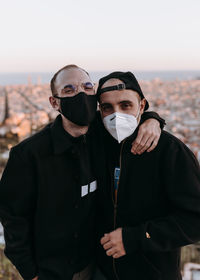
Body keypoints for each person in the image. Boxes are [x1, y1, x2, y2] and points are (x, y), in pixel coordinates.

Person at [0, 65, 165, 280]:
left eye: (87, 87)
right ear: (54, 102)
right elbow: (13, 218)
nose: (81, 94)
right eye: (69, 90)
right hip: (50, 270)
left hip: (94, 264)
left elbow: (127, 114)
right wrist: (30, 272)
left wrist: (153, 120)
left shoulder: (105, 136)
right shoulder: (28, 154)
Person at [95, 71, 200, 280]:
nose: (116, 115)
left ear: (141, 106)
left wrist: (135, 238)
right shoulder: (97, 145)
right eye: (107, 107)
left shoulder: (170, 151)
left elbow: (195, 219)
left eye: (126, 105)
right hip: (102, 272)